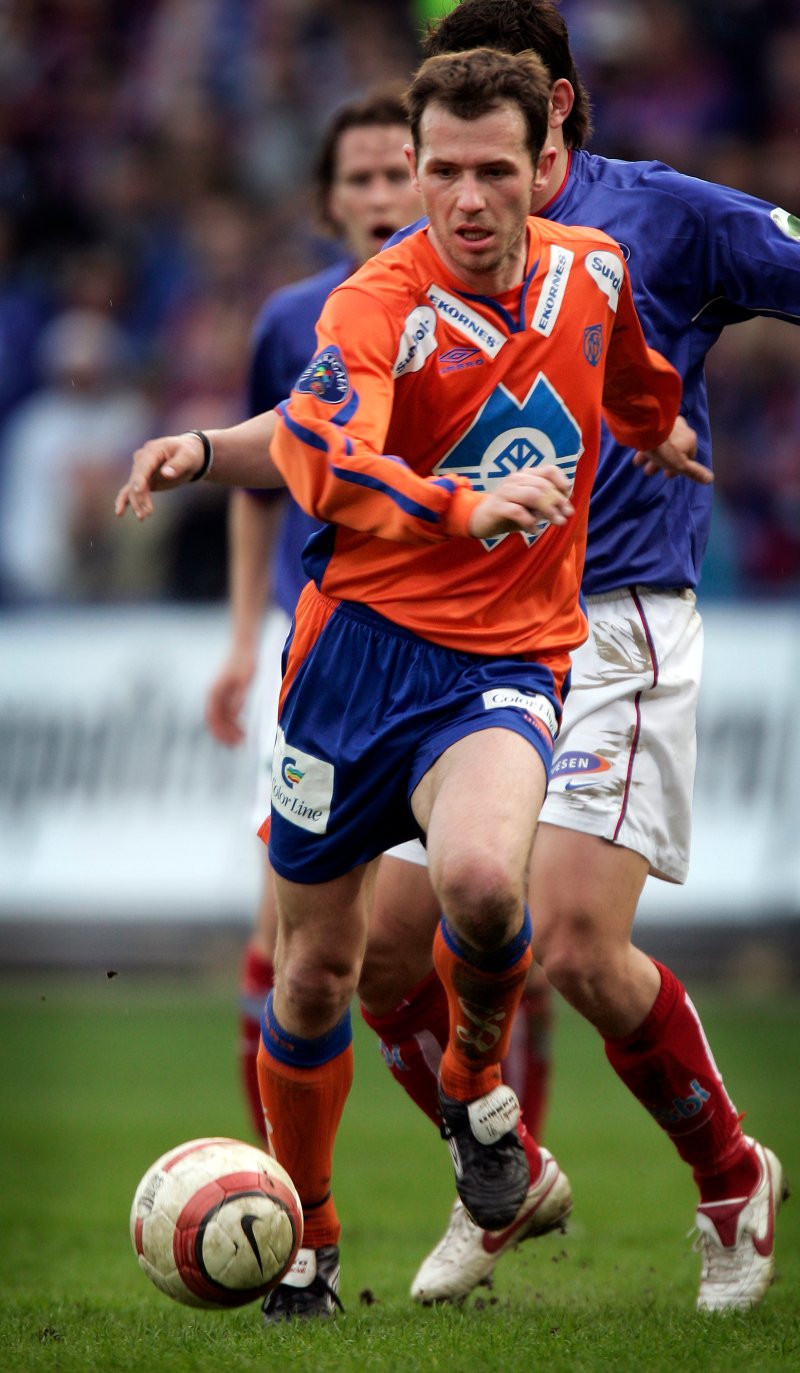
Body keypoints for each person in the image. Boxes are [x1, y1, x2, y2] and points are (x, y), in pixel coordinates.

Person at [117, 45, 706, 1321]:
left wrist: (653, 418)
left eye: (494, 170)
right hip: (351, 664)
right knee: (314, 972)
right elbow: (327, 464)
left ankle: (477, 1101)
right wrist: (460, 501)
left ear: (540, 167)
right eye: (441, 172)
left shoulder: (592, 269)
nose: (464, 198)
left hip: (505, 657)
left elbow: (623, 366)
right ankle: (312, 1238)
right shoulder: (368, 305)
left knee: (488, 886)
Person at [349, 0, 794, 1313]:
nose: (477, 173)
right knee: (386, 954)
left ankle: (730, 1177)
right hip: (471, 627)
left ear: (559, 104)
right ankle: (503, 1163)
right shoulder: (435, 244)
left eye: (510, 126)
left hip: (615, 619)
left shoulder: (666, 217)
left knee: (576, 951)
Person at [203, 86, 424, 1147]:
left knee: (471, 933)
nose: (383, 194)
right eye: (361, 179)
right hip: (321, 656)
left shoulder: (485, 310)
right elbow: (259, 487)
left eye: (397, 172)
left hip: (455, 652)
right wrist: (245, 639)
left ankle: (501, 1168)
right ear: (327, 202)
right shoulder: (293, 323)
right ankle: (278, 1181)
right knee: (288, 932)